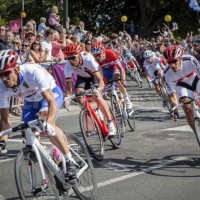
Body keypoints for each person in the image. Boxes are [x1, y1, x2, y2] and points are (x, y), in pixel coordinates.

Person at [0, 49, 79, 179]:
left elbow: (50, 101)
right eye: (0, 75)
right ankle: (52, 159)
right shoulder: (1, 86)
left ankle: (70, 161)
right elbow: (4, 120)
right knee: (27, 133)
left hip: (50, 93)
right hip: (30, 100)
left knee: (46, 123)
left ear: (17, 69)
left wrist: (48, 123)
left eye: (7, 73)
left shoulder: (32, 72)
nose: (4, 79)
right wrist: (2, 142)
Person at [64, 43, 116, 137]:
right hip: (83, 77)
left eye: (73, 57)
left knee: (97, 96)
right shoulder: (67, 66)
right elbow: (68, 88)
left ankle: (110, 123)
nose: (71, 61)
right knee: (79, 96)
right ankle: (94, 114)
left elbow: (100, 80)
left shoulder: (88, 59)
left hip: (94, 76)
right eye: (68, 58)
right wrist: (67, 98)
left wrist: (98, 89)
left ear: (79, 55)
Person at [163, 45, 200, 131]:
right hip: (182, 84)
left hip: (195, 79)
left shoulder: (190, 60)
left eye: (174, 61)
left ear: (180, 58)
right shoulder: (166, 73)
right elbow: (172, 95)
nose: (172, 65)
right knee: (186, 107)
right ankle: (197, 133)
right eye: (169, 62)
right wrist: (175, 111)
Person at [91, 41, 133, 110]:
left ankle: (127, 99)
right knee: (109, 90)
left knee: (116, 79)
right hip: (105, 71)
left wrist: (123, 80)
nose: (97, 57)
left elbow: (121, 69)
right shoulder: (93, 60)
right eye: (95, 55)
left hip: (114, 68)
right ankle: (115, 102)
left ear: (103, 51)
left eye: (98, 54)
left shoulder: (110, 53)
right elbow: (97, 74)